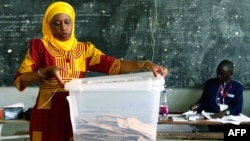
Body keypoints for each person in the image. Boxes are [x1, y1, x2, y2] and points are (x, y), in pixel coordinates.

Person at [13, 1, 168, 141]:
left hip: (75, 111)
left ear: (73, 23)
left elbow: (115, 65)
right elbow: (20, 80)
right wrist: (46, 71)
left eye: (67, 22)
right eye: (57, 23)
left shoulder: (84, 50)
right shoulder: (40, 47)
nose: (63, 27)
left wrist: (145, 64)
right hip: (47, 114)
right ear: (48, 25)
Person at [190, 59, 243, 132]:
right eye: (217, 73)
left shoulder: (237, 87)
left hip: (230, 121)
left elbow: (238, 107)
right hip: (213, 120)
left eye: (222, 74)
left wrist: (225, 113)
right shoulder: (210, 83)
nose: (218, 76)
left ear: (231, 73)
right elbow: (203, 101)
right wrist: (197, 105)